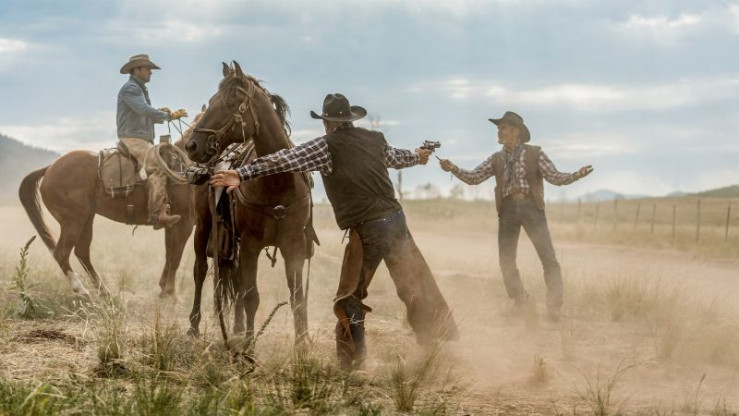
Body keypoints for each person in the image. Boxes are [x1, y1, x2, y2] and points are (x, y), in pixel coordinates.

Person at [210, 93, 458, 369]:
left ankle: (353, 363)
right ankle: (433, 346)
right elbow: (399, 157)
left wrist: (241, 173)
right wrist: (418, 156)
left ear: (327, 122)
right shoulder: (375, 140)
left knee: (349, 296)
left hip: (367, 229)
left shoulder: (326, 146)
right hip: (396, 221)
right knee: (414, 283)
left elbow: (286, 159)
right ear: (350, 119)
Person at [439, 111, 592, 323]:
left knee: (548, 258)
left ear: (515, 132)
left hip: (532, 209)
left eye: (502, 128)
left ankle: (554, 308)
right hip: (508, 210)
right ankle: (521, 303)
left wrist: (576, 175)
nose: (498, 131)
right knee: (506, 260)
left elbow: (555, 177)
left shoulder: (535, 153)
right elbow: (474, 177)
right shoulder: (497, 158)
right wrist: (453, 168)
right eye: (498, 128)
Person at [117, 54, 188, 229]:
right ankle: (157, 214)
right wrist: (168, 116)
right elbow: (143, 110)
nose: (151, 72)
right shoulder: (131, 89)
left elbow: (144, 113)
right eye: (147, 68)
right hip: (133, 138)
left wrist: (162, 114)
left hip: (139, 137)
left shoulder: (138, 89)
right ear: (136, 70)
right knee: (159, 166)